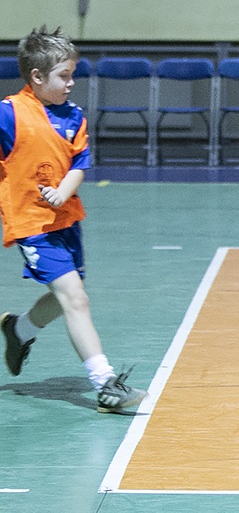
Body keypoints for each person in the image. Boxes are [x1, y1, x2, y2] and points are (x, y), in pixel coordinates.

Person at [0, 26, 147, 413]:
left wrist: (64, 191)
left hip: (65, 221)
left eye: (72, 74)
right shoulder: (9, 114)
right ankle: (106, 384)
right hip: (32, 226)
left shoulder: (73, 116)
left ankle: (19, 330)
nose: (71, 83)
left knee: (68, 293)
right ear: (36, 77)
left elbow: (79, 163)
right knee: (75, 298)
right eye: (63, 76)